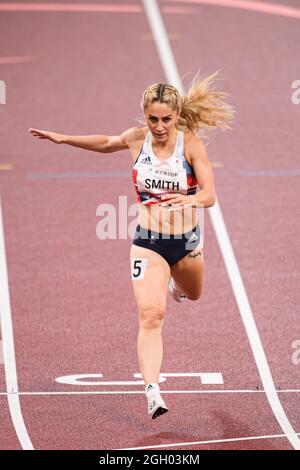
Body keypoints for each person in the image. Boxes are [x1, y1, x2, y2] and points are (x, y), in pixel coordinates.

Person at [29, 72, 234, 419]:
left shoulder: (191, 144)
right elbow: (107, 142)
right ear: (145, 115)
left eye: (166, 119)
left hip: (184, 244)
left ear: (176, 115)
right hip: (148, 242)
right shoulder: (137, 140)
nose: (159, 126)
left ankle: (176, 283)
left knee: (194, 293)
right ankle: (153, 390)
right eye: (153, 119)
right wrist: (63, 139)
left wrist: (189, 201)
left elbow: (211, 195)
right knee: (151, 316)